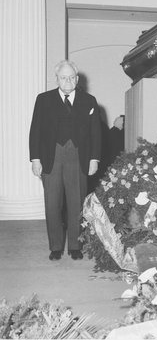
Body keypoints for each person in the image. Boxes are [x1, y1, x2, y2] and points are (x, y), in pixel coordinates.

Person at [29, 60, 102, 261]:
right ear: (57, 79)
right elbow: (35, 130)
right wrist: (35, 159)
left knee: (76, 202)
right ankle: (55, 246)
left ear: (77, 79)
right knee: (52, 204)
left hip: (78, 158)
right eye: (63, 77)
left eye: (71, 77)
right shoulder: (43, 100)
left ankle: (75, 245)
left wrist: (94, 159)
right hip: (51, 157)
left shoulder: (89, 100)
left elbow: (96, 133)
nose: (67, 80)